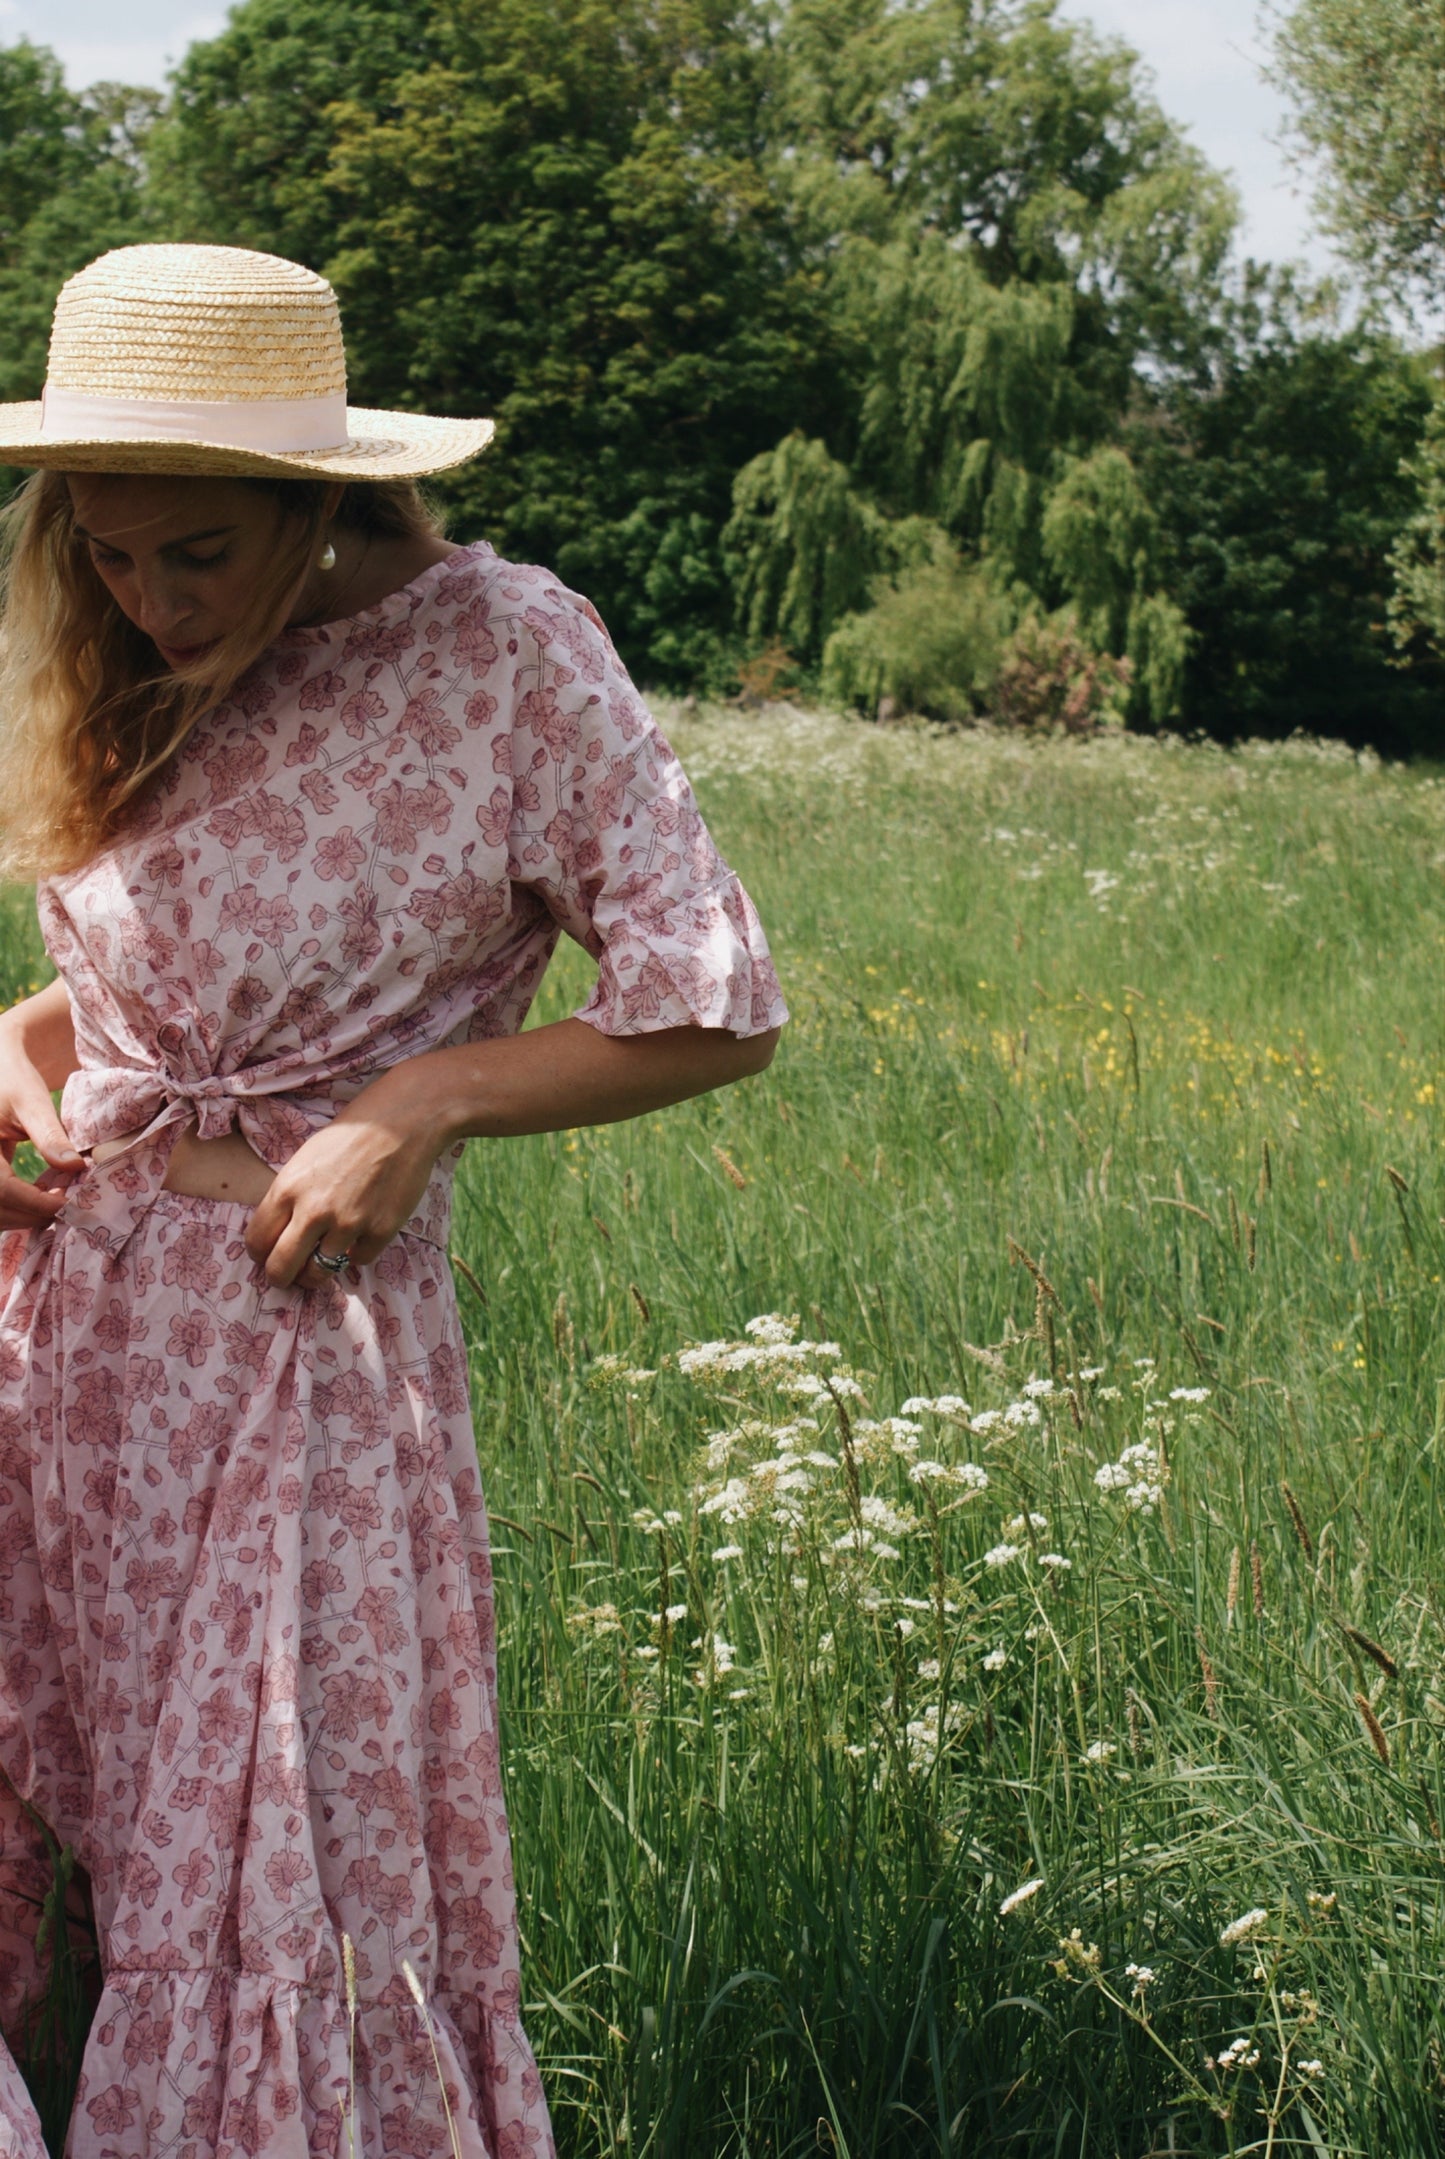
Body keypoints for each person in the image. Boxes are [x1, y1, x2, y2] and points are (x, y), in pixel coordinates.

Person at [0, 243, 785, 2158]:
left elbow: (712, 1003)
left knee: (270, 1873)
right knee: (90, 1852)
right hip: (67, 1356)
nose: (143, 595)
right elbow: (123, 997)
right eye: (107, 549)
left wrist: (422, 1101)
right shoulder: (117, 658)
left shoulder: (501, 649)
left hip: (293, 1367)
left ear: (320, 499)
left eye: (195, 551)